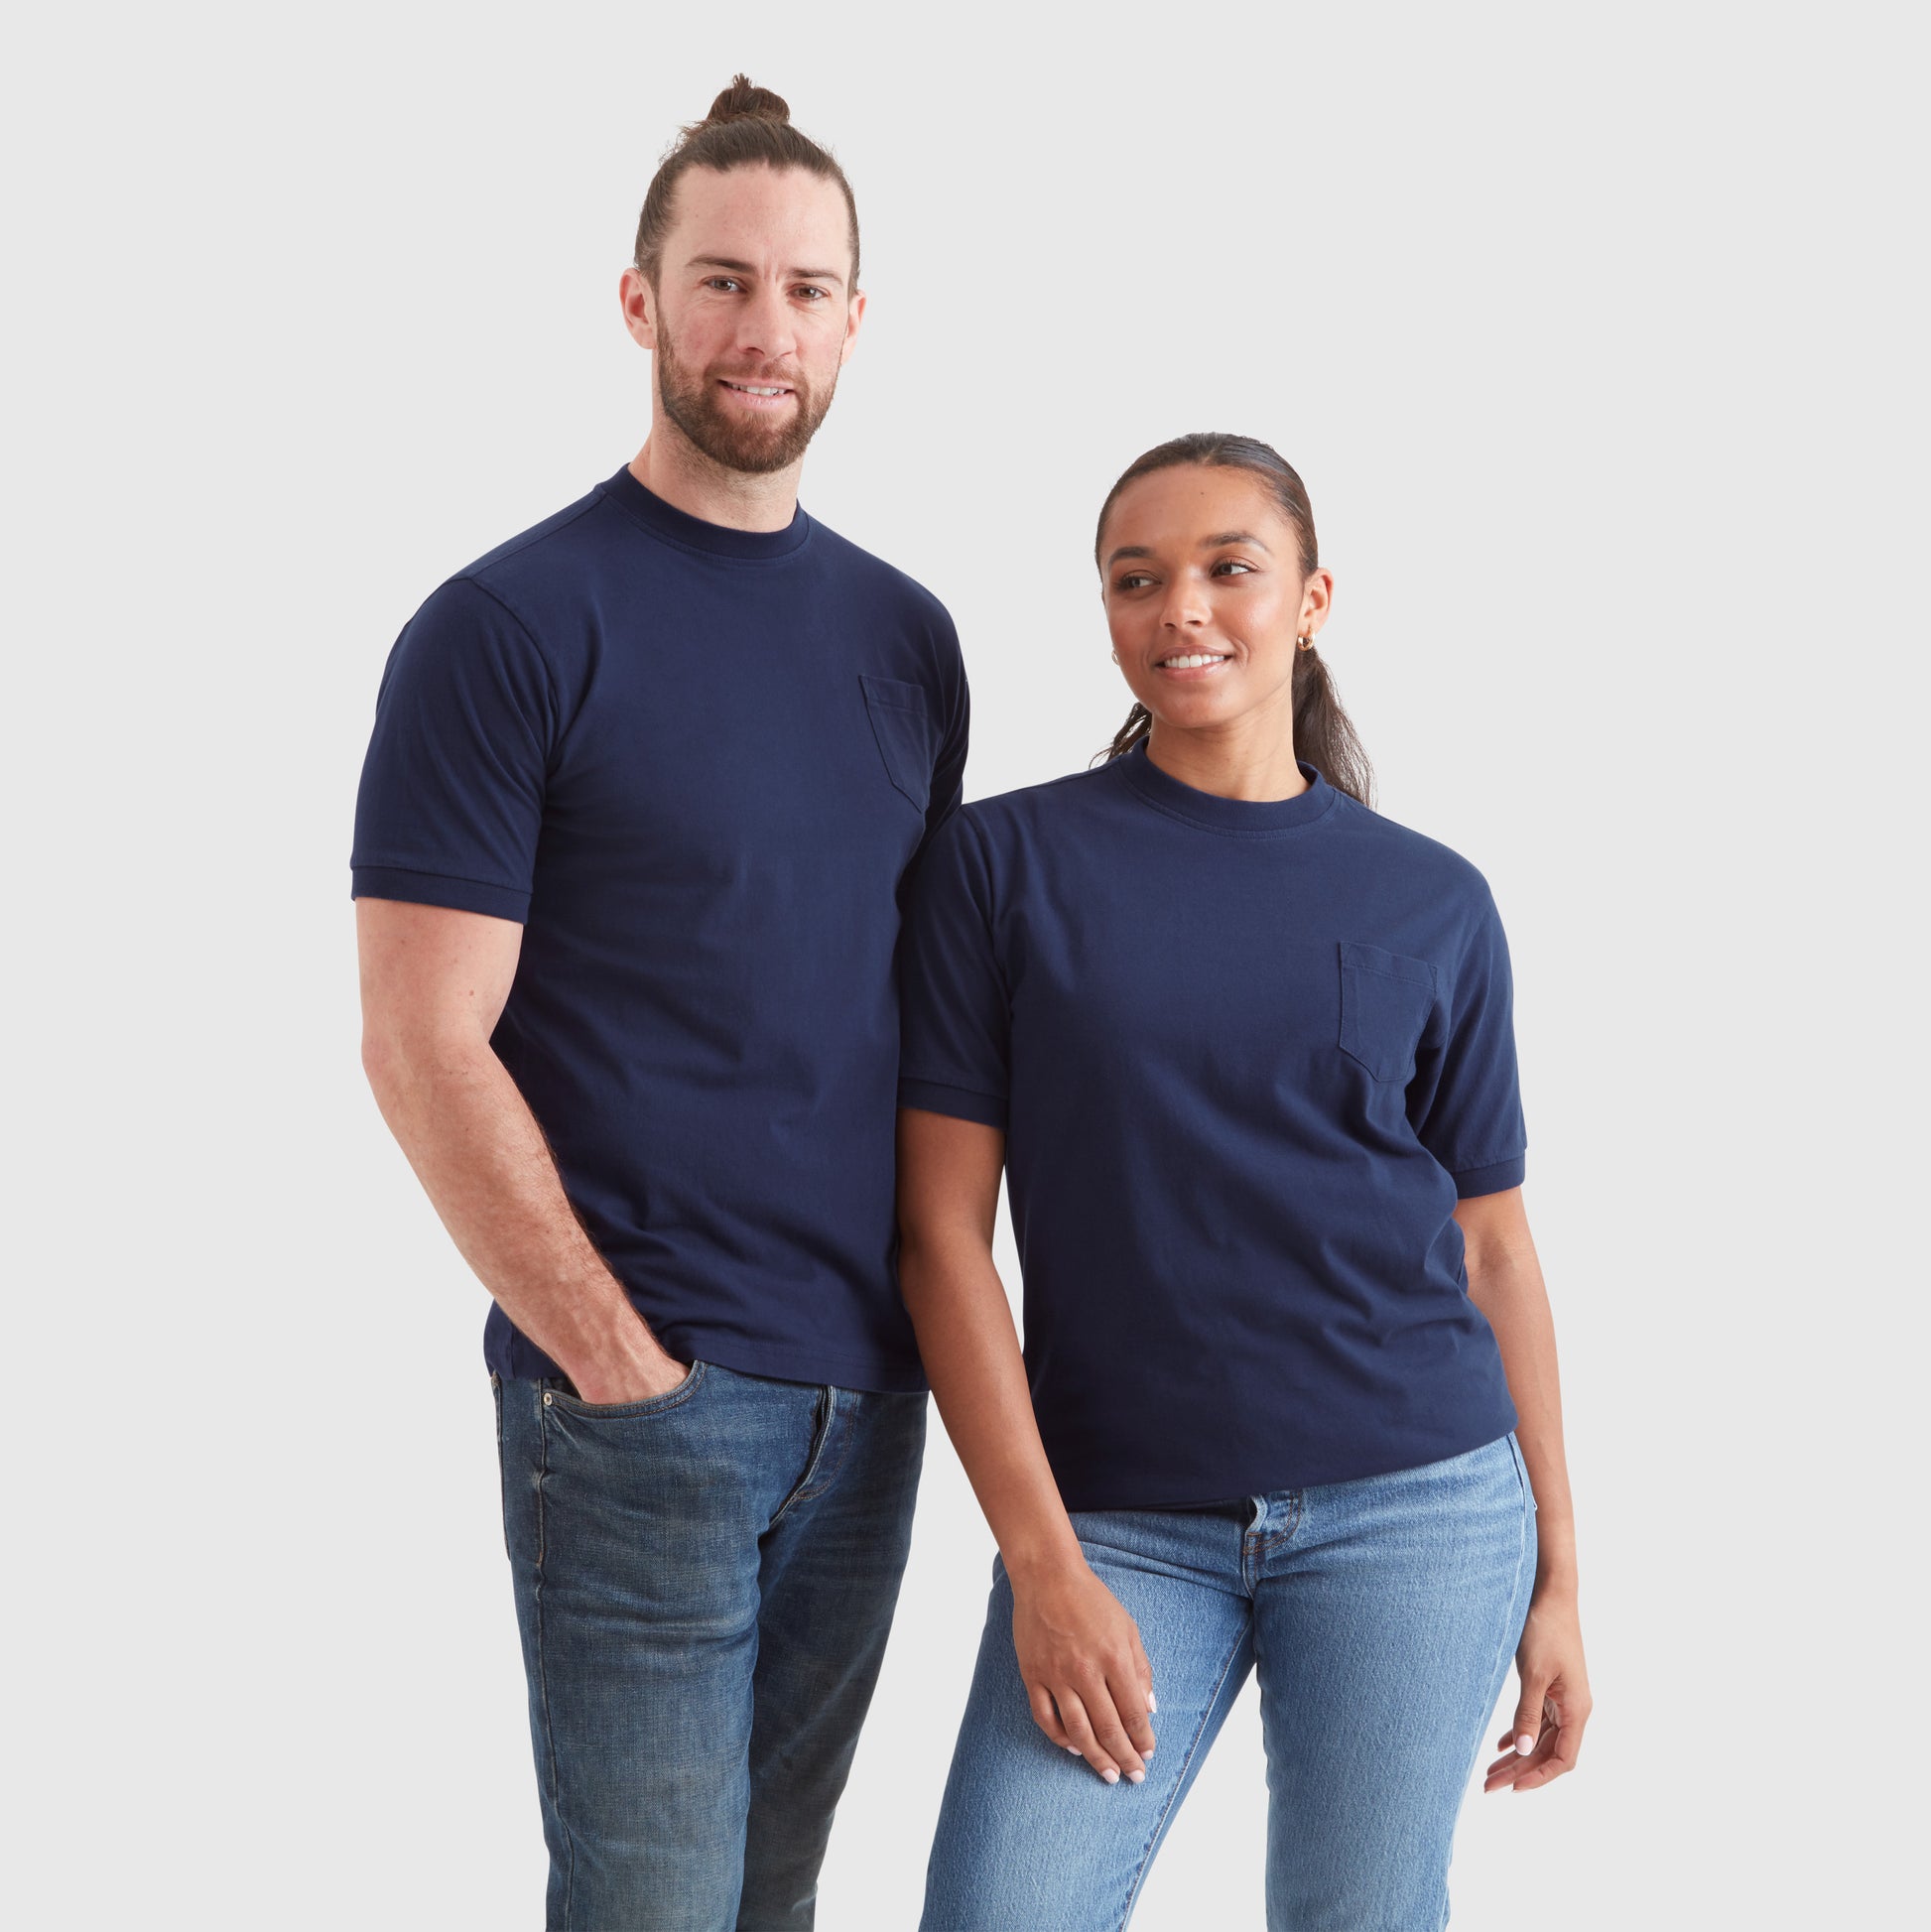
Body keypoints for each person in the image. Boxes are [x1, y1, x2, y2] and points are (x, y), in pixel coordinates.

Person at [352, 77, 966, 1931]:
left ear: (854, 321)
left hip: (869, 1394)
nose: (762, 328)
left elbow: (911, 1013)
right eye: (720, 281)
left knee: (771, 1904)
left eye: (803, 289)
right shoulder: (507, 627)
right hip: (639, 1405)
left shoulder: (907, 640)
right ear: (640, 302)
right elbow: (418, 1040)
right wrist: (615, 1367)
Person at [896, 433, 1589, 1929]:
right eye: (1135, 579)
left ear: (1312, 599)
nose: (1182, 610)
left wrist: (1560, 1582)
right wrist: (1041, 1560)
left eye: (1230, 569)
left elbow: (1494, 1250)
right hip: (1119, 1517)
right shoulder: (1002, 865)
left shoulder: (1432, 897)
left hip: (1418, 1505)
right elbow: (940, 1239)